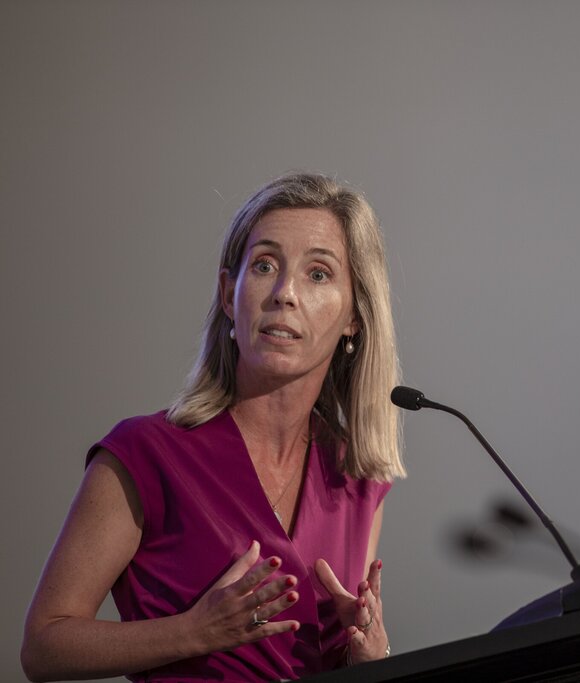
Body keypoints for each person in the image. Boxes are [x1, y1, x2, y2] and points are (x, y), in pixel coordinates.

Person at [21, 172, 406, 682]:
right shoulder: (145, 455)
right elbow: (44, 646)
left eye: (318, 274)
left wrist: (369, 657)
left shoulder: (358, 478)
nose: (285, 293)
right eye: (265, 265)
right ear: (229, 294)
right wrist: (192, 632)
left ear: (355, 316)